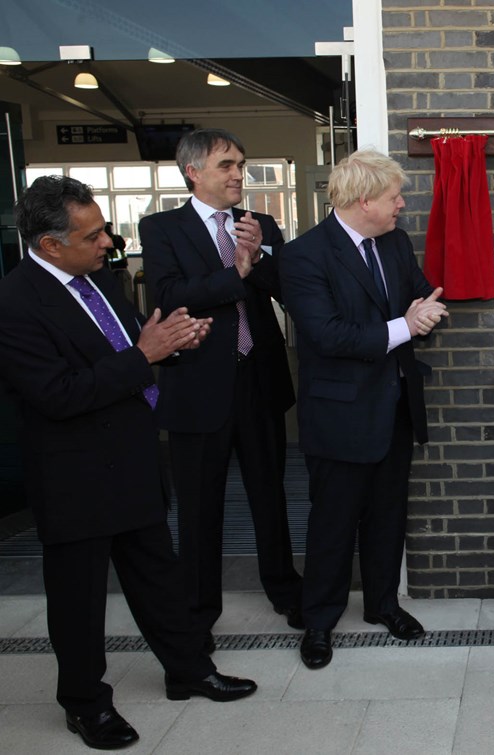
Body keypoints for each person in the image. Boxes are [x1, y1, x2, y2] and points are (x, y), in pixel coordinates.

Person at [0, 176, 257, 750]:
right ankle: (86, 705)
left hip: (133, 457)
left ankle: (188, 670)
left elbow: (129, 345)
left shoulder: (99, 280)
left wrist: (173, 338)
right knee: (79, 601)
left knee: (159, 577)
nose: (107, 242)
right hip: (74, 475)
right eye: (92, 236)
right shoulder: (15, 303)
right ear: (48, 245)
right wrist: (147, 354)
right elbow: (59, 394)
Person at [279, 149, 448, 670]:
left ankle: (383, 605)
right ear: (363, 200)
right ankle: (319, 621)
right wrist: (405, 325)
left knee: (387, 516)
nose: (402, 204)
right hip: (339, 415)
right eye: (394, 196)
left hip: (394, 407)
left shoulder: (393, 242)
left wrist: (422, 311)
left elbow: (423, 295)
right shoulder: (304, 255)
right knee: (333, 522)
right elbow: (326, 335)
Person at [140, 128, 302, 644]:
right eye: (226, 165)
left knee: (269, 496)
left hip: (259, 380)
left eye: (241, 163)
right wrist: (237, 269)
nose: (238, 174)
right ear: (193, 172)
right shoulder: (162, 228)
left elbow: (289, 291)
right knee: (199, 506)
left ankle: (283, 588)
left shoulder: (261, 223)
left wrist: (261, 262)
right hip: (198, 389)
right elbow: (167, 296)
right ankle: (198, 608)